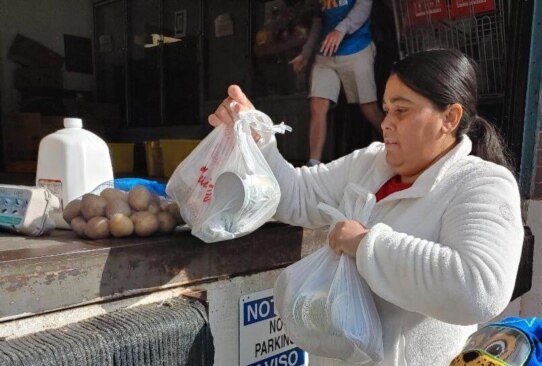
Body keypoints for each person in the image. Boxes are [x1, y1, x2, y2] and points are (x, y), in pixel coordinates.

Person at [209, 49, 524, 365]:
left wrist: (364, 244)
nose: (386, 123)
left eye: (401, 111)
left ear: (449, 118)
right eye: (387, 110)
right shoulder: (369, 163)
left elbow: (479, 290)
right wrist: (257, 139)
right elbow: (296, 196)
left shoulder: (481, 184)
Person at [289, 0, 385, 166]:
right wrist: (306, 52)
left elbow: (364, 6)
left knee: (368, 106)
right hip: (326, 53)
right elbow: (318, 22)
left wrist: (340, 30)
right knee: (317, 104)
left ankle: (398, 144)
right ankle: (314, 163)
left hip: (357, 49)